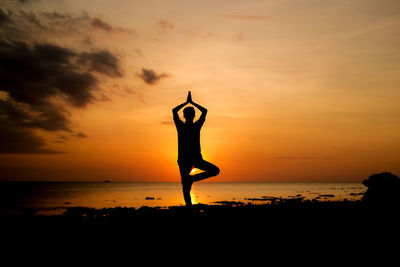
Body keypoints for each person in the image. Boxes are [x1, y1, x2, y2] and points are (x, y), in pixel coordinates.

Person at [172, 91, 220, 207]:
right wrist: (191, 102)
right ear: (189, 115)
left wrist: (188, 102)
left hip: (194, 160)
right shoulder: (182, 126)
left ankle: (191, 179)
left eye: (191, 113)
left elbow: (174, 111)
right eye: (190, 113)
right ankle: (189, 206)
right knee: (186, 187)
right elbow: (204, 111)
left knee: (187, 185)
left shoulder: (192, 126)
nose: (191, 115)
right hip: (185, 161)